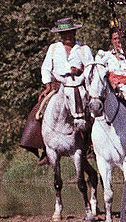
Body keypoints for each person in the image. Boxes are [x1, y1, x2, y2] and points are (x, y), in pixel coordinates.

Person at [21, 17, 95, 161]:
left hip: (77, 86)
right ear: (60, 35)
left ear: (74, 33)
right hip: (58, 85)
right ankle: (43, 147)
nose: (67, 37)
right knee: (38, 111)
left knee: (91, 112)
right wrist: (47, 85)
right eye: (64, 34)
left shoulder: (84, 50)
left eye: (70, 33)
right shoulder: (54, 48)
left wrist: (80, 71)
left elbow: (91, 69)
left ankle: (91, 146)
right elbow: (46, 67)